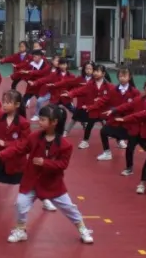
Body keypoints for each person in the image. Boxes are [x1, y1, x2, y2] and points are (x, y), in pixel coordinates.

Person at [5, 104, 94, 245]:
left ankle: (82, 228)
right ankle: (21, 230)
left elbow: (62, 165)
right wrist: (1, 154)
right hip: (32, 181)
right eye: (39, 119)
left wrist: (45, 163)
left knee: (69, 208)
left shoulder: (65, 145)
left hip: (52, 184)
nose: (39, 122)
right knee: (21, 204)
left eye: (43, 119)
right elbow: (20, 149)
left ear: (54, 122)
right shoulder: (34, 137)